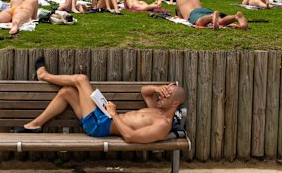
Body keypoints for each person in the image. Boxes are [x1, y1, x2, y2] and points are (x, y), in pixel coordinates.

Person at [17, 57, 187, 144]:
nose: (160, 96)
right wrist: (158, 88)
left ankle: (44, 75)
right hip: (102, 117)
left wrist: (113, 114)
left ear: (175, 103)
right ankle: (35, 125)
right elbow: (145, 92)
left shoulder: (163, 125)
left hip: (101, 126)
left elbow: (129, 136)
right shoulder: (156, 110)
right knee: (67, 91)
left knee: (81, 79)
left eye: (166, 95)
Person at [176, 0, 248, 29]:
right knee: (220, 21)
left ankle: (212, 16)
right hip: (205, 10)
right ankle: (236, 17)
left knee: (199, 22)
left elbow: (179, 15)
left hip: (194, 13)